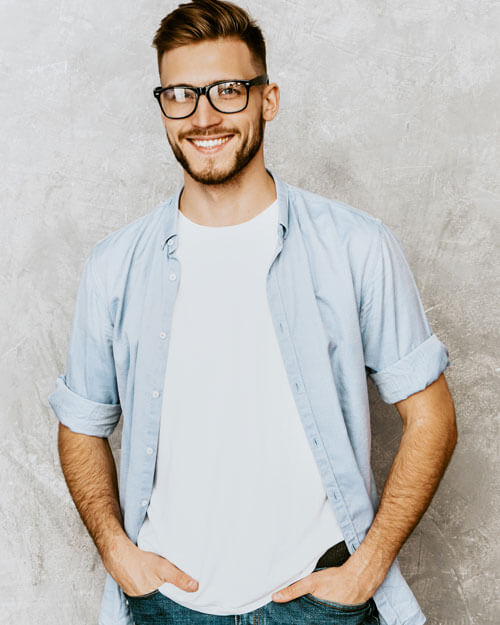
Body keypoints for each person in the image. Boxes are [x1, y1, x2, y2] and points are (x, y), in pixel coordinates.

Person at [48, 1, 457, 624]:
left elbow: (431, 417)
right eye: (181, 94)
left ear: (268, 99)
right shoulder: (114, 266)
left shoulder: (355, 246)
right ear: (162, 106)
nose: (203, 116)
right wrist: (117, 552)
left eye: (228, 91)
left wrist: (367, 568)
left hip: (320, 603)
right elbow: (81, 424)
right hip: (168, 606)